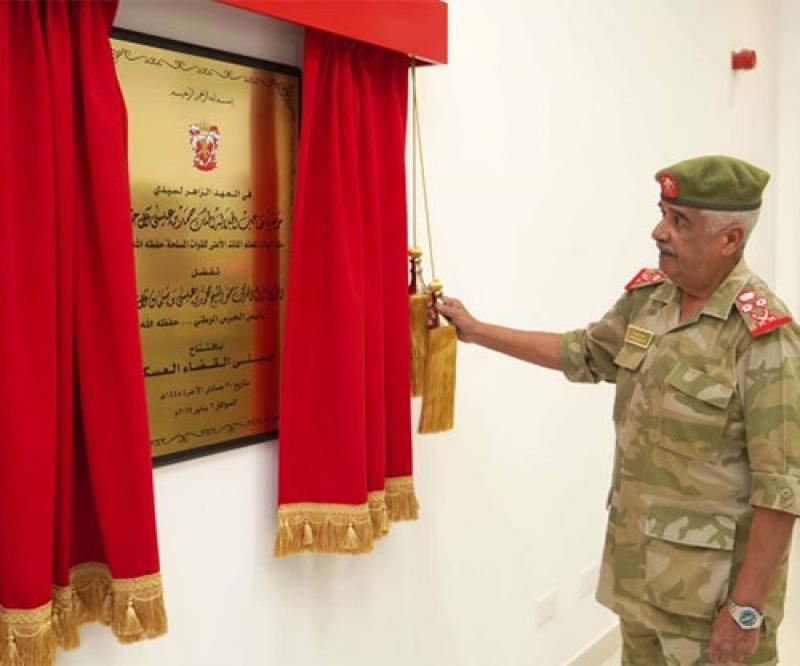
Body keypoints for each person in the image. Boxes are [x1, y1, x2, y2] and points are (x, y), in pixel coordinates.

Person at [436, 156, 798, 665]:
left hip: (709, 604)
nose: (660, 231)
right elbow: (584, 353)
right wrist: (477, 331)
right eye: (664, 214)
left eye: (680, 222)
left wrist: (746, 612)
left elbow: (780, 491)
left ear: (730, 239)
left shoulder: (763, 337)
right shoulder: (649, 299)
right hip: (640, 582)